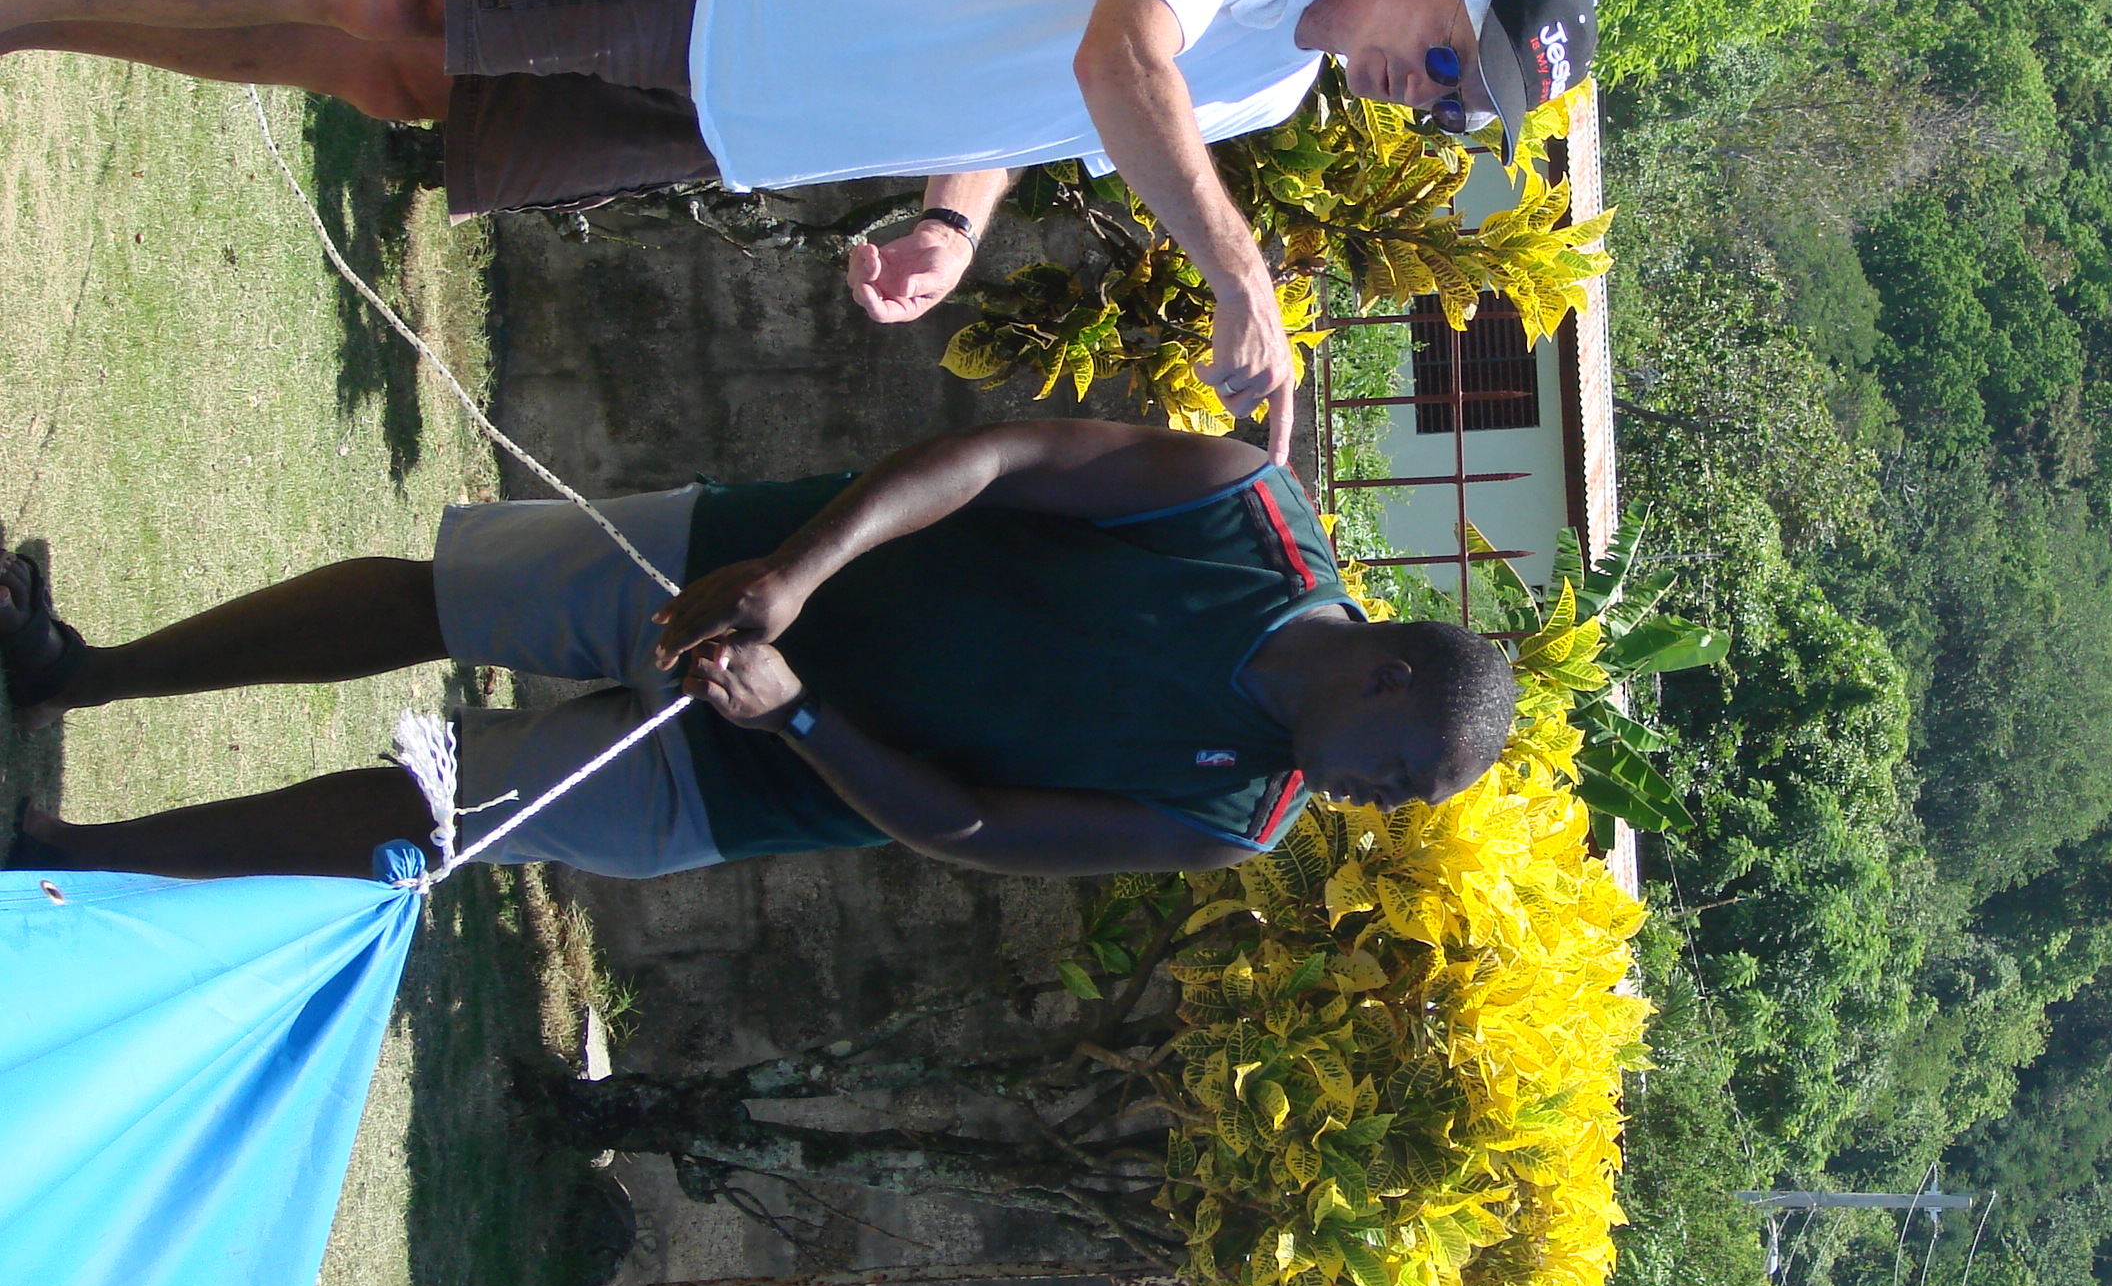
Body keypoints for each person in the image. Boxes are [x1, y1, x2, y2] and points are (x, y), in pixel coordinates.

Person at [0, 0, 1599, 458]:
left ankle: (43, 29)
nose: (1425, 94)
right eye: (1445, 57)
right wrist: (1239, 272)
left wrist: (954, 223)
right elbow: (1122, 59)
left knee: (403, 85)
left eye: (1454, 108)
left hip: (740, 114)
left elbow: (1047, 101)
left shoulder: (1267, 89)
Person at [0, 421, 1519, 882]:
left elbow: (975, 828)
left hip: (748, 784)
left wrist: (795, 721)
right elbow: (996, 459)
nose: (1374, 805)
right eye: (1400, 775)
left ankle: (57, 854)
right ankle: (76, 674)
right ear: (1387, 674)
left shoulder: (1237, 815)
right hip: (732, 562)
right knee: (433, 600)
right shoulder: (1240, 511)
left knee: (439, 818)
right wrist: (790, 575)